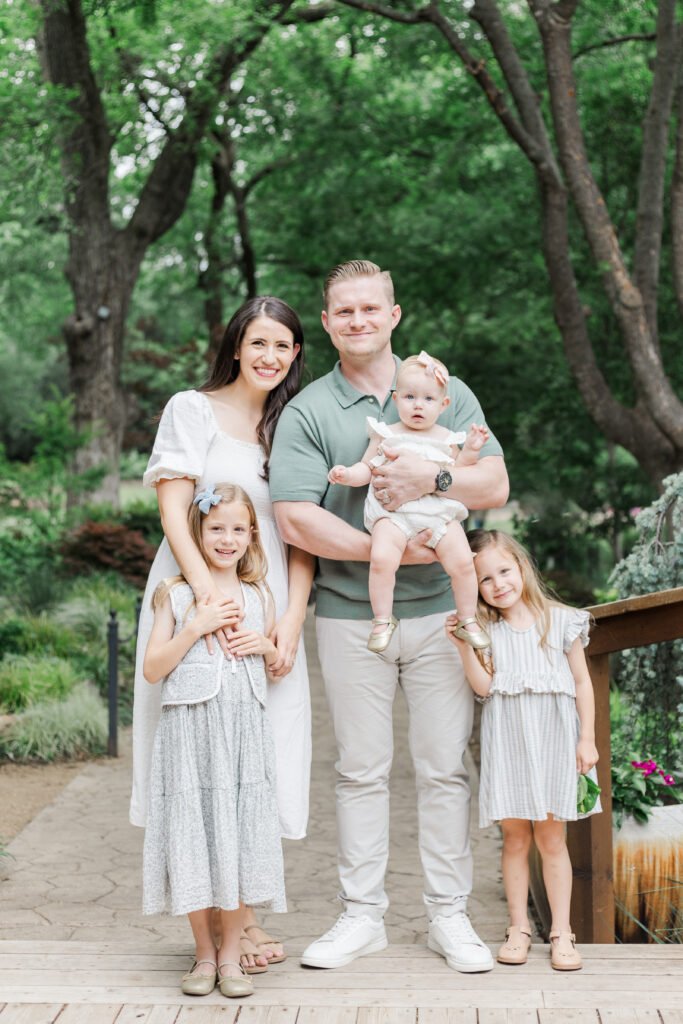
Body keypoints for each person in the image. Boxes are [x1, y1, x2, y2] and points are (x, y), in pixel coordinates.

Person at [270, 259, 509, 973]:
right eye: (344, 312)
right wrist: (397, 552)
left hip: (443, 615)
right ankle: (361, 917)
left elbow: (491, 478)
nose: (359, 321)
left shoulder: (443, 385)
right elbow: (293, 518)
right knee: (359, 771)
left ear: (394, 315)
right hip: (350, 614)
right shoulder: (309, 409)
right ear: (326, 322)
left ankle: (448, 917)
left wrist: (434, 479)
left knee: (442, 771)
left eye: (371, 309)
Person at [130, 296, 313, 971]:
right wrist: (203, 596)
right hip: (199, 598)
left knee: (262, 758)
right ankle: (220, 933)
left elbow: (299, 532)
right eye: (258, 342)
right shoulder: (192, 409)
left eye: (283, 345)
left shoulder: (291, 425)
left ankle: (242, 913)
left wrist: (291, 618)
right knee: (197, 755)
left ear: (296, 355)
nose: (269, 356)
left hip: (266, 605)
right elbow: (174, 509)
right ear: (236, 344)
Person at [142, 483, 285, 997]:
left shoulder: (260, 595)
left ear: (252, 536)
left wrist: (267, 645)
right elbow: (153, 669)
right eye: (216, 528)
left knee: (239, 839)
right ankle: (203, 955)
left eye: (238, 530)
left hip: (242, 737)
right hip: (190, 738)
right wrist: (194, 625)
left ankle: (231, 958)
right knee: (194, 837)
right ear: (198, 533)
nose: (227, 539)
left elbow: (274, 668)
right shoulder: (176, 594)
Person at [445, 529, 601, 971]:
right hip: (510, 745)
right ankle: (518, 927)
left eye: (504, 571)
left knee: (551, 839)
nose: (498, 584)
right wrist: (463, 647)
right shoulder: (485, 631)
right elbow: (485, 687)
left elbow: (582, 682)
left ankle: (561, 932)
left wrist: (586, 738)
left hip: (555, 745)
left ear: (522, 566)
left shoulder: (562, 620)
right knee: (515, 838)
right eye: (485, 580)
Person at [328, 349, 490, 653]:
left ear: (443, 405)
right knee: (381, 559)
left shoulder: (446, 438)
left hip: (438, 514)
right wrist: (348, 474)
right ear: (395, 399)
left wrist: (472, 449)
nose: (418, 405)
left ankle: (468, 619)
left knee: (463, 562)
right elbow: (368, 467)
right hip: (394, 515)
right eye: (410, 397)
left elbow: (459, 474)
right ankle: (382, 618)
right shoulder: (385, 434)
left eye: (428, 399)